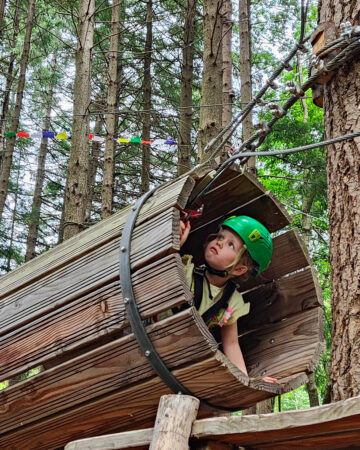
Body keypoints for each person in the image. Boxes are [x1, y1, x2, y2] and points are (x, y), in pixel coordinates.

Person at [180, 215, 277, 382]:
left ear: (239, 269)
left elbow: (231, 344)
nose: (220, 242)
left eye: (230, 245)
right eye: (220, 237)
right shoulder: (186, 271)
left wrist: (245, 381)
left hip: (184, 358)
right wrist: (178, 243)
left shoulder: (231, 301)